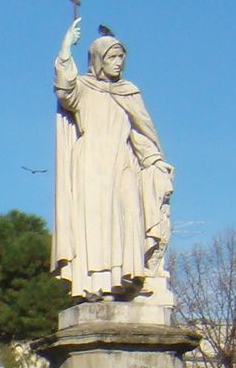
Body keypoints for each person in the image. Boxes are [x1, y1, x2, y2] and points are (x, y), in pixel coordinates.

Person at [54, 16, 173, 302]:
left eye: (121, 57)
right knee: (95, 223)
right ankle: (96, 283)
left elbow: (140, 134)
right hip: (91, 164)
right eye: (113, 57)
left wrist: (155, 161)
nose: (119, 62)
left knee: (130, 213)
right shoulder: (83, 88)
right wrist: (66, 48)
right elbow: (64, 87)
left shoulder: (128, 92)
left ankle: (128, 277)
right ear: (98, 60)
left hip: (122, 161)